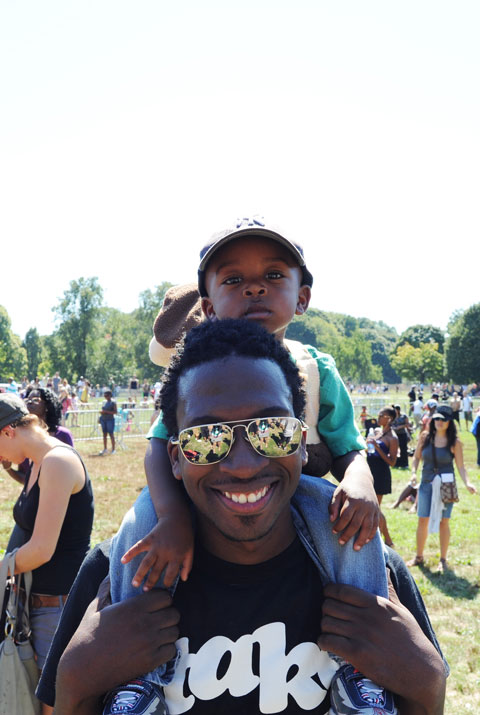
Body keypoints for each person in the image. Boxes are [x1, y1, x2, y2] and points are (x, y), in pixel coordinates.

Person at [52, 319, 447, 715]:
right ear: (175, 458)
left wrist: (428, 685)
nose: (243, 465)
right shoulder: (113, 574)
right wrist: (73, 683)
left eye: (273, 430)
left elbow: (418, 693)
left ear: (303, 445)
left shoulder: (375, 574)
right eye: (207, 437)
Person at [120, 218, 380, 606]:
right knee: (141, 521)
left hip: (293, 484)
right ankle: (133, 622)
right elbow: (160, 446)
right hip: (204, 488)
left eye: (274, 275)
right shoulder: (197, 371)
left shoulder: (316, 366)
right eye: (233, 280)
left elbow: (348, 445)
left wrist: (361, 482)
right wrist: (172, 516)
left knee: (344, 525)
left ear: (302, 298)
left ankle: (369, 622)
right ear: (207, 307)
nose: (255, 287)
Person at [0, 393, 94, 715]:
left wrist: (2, 569)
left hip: (58, 607)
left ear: (8, 432)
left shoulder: (58, 461)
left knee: (52, 707)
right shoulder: (40, 463)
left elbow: (42, 549)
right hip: (39, 604)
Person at [407, 404, 477, 573]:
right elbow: (416, 459)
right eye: (437, 418)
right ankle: (419, 556)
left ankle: (443, 559)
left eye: (443, 419)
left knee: (444, 521)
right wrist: (414, 472)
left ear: (449, 422)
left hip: (447, 486)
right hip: (426, 484)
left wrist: (467, 483)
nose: (439, 422)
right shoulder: (424, 437)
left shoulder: (455, 442)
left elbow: (461, 467)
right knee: (422, 519)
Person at [366, 408, 398, 547]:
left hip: (381, 474)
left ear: (389, 418)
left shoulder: (393, 437)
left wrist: (377, 448)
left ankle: (388, 540)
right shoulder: (378, 432)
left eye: (381, 415)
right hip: (370, 471)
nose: (378, 418)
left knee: (376, 508)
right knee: (372, 507)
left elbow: (392, 462)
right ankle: (382, 539)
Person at [98, 389, 117, 455]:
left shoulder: (113, 402)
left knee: (111, 434)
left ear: (109, 395)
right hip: (104, 419)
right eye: (104, 395)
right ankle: (105, 449)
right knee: (104, 434)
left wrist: (106, 412)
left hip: (110, 420)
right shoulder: (105, 402)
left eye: (106, 395)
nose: (105, 397)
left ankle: (113, 449)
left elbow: (115, 412)